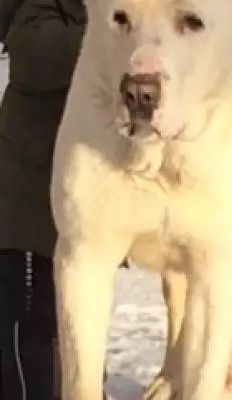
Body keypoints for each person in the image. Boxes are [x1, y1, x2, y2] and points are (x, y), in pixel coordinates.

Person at [0, 0, 86, 398]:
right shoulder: (44, 6)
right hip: (29, 198)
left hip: (78, 197)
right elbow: (38, 55)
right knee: (29, 316)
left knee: (75, 315)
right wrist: (111, 32)